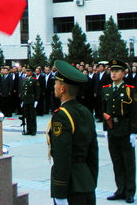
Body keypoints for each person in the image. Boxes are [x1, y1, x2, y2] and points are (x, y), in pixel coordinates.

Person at [47, 60, 98, 204]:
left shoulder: (61, 115)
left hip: (70, 186)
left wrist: (60, 192)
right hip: (86, 181)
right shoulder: (86, 112)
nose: (54, 86)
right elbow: (93, 152)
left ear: (63, 88)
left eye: (56, 83)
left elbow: (62, 155)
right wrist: (91, 180)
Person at [102, 59, 137, 203]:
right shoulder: (106, 89)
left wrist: (133, 132)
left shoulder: (129, 90)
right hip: (112, 128)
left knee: (128, 162)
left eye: (117, 71)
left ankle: (130, 191)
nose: (114, 74)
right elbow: (104, 110)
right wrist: (105, 129)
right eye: (112, 71)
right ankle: (120, 189)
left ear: (124, 73)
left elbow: (134, 111)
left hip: (125, 129)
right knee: (116, 161)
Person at [20, 66, 39, 135]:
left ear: (31, 72)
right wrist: (22, 99)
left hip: (31, 99)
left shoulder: (34, 80)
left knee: (32, 116)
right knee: (27, 115)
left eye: (28, 71)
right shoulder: (25, 80)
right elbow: (23, 90)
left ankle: (33, 130)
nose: (27, 72)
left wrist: (36, 100)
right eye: (27, 71)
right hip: (26, 99)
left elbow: (37, 91)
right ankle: (28, 129)